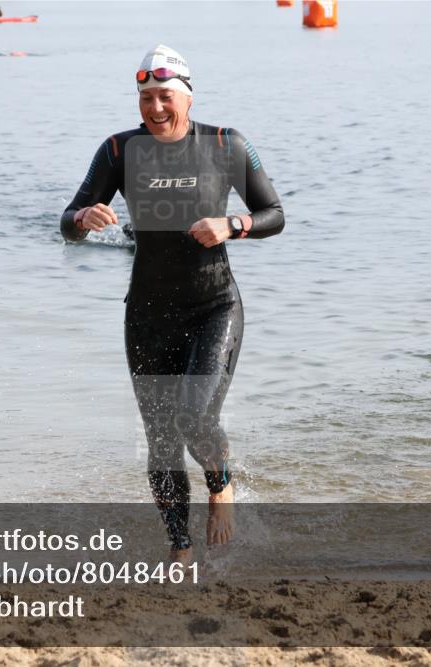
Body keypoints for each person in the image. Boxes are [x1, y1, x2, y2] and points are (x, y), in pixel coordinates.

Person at [60, 45, 284, 564]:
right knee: (161, 440)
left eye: (165, 96)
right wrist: (84, 219)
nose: (155, 108)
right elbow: (67, 221)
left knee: (193, 416)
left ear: (187, 95)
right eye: (146, 98)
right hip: (148, 314)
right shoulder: (119, 151)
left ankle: (220, 482)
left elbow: (273, 214)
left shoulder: (225, 144)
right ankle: (180, 549)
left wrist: (233, 224)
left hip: (213, 306)